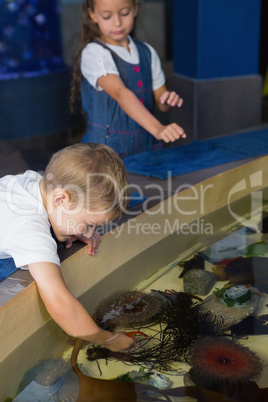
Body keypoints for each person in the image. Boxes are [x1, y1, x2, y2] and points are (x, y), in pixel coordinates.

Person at [0, 143, 134, 352]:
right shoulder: (29, 229)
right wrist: (108, 339)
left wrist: (73, 227)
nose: (90, 233)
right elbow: (59, 302)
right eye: (89, 224)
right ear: (61, 199)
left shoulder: (36, 182)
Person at [70, 0, 186, 159]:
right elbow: (120, 93)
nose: (117, 22)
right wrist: (158, 128)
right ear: (93, 15)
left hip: (146, 147)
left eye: (124, 13)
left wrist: (167, 100)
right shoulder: (94, 53)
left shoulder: (147, 52)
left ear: (135, 9)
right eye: (106, 16)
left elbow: (160, 100)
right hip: (106, 152)